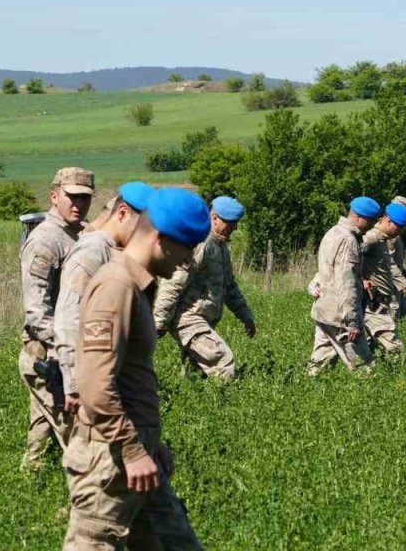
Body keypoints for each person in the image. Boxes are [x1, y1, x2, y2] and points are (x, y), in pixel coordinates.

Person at [63, 187, 208, 550]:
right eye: (187, 249)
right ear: (160, 239)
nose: (188, 262)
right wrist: (132, 449)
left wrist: (150, 444)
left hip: (136, 453)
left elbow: (130, 377)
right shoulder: (116, 286)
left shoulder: (138, 285)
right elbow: (95, 385)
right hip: (108, 461)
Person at [53, 182, 153, 421]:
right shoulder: (94, 250)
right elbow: (69, 316)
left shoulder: (113, 251)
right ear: (122, 213)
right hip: (83, 379)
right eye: (143, 227)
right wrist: (74, 384)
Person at [19, 166, 94, 471]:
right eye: (72, 197)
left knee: (43, 426)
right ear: (54, 196)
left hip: (63, 349)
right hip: (47, 351)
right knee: (75, 432)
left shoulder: (81, 234)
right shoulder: (46, 240)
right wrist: (68, 344)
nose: (79, 204)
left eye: (85, 198)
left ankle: (31, 478)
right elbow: (36, 311)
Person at [152, 196, 255, 381]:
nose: (235, 228)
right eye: (231, 223)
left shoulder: (220, 246)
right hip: (189, 319)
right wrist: (159, 322)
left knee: (195, 376)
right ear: (214, 218)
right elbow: (174, 282)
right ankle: (228, 399)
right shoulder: (200, 243)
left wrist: (246, 316)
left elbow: (230, 287)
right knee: (222, 362)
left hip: (203, 319)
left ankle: (187, 396)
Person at [307, 197, 381, 375]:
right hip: (340, 313)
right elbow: (347, 283)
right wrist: (352, 321)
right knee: (364, 367)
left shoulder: (333, 232)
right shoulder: (348, 241)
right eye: (370, 220)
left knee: (319, 363)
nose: (373, 225)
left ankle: (305, 388)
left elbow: (325, 271)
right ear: (358, 217)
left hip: (324, 308)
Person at [360, 202, 406, 356]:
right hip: (372, 302)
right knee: (395, 347)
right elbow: (351, 258)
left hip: (381, 300)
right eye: (399, 227)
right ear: (388, 220)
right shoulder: (372, 237)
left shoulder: (383, 239)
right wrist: (362, 279)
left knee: (367, 347)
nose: (400, 231)